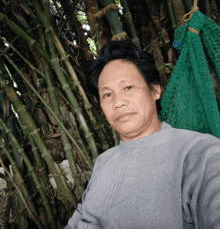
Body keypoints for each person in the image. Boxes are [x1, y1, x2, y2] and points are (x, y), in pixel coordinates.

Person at [65, 40, 220, 229]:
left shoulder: (201, 153)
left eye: (128, 87)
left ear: (155, 90)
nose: (118, 102)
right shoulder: (104, 162)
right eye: (107, 95)